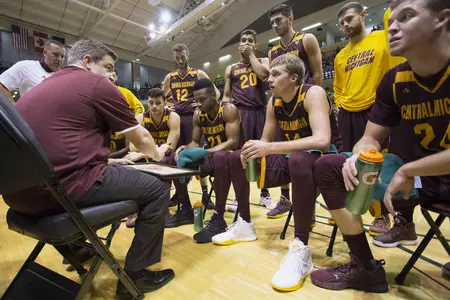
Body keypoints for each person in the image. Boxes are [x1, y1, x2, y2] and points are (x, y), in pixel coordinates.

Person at [2, 39, 175, 299]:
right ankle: (136, 276)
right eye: (107, 67)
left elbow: (60, 146)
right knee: (158, 187)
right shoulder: (95, 84)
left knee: (122, 174)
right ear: (87, 62)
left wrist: (111, 161)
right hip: (60, 190)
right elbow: (143, 140)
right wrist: (159, 153)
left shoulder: (42, 86)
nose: (111, 75)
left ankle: (79, 250)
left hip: (18, 196)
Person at [311, 0, 449, 292]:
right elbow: (371, 137)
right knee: (330, 166)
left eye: (407, 16)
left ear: (442, 19)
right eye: (392, 20)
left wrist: (411, 168)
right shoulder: (394, 80)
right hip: (417, 180)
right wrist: (357, 156)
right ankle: (365, 267)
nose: (393, 27)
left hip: (418, 173)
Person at [212, 54, 333, 292]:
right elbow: (266, 140)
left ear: (294, 78)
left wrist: (269, 147)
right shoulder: (274, 102)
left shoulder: (313, 93)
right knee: (238, 155)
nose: (270, 79)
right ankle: (245, 223)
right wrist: (253, 150)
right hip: (291, 158)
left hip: (325, 161)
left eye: (276, 74)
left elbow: (322, 140)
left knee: (299, 159)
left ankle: (301, 247)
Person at [333, 2, 393, 235]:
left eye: (349, 18)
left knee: (376, 163)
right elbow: (338, 87)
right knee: (349, 164)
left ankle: (381, 215)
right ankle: (354, 210)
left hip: (376, 111)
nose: (346, 25)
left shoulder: (381, 38)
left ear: (363, 15)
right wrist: (340, 106)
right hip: (347, 114)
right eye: (342, 23)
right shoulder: (340, 56)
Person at [223, 29, 288, 212]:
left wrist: (250, 55)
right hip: (240, 114)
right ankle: (238, 196)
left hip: (260, 112)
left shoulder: (263, 61)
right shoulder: (231, 68)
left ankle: (264, 194)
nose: (246, 43)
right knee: (240, 155)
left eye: (250, 40)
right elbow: (226, 96)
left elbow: (265, 76)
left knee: (262, 154)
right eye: (243, 40)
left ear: (255, 44)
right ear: (238, 44)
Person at [175, 78, 241, 242]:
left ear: (214, 95)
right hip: (213, 158)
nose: (198, 104)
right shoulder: (198, 115)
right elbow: (195, 141)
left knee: (220, 156)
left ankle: (218, 217)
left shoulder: (228, 110)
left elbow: (233, 142)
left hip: (234, 158)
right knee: (173, 160)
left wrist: (206, 152)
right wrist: (186, 149)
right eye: (196, 101)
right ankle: (185, 209)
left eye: (202, 100)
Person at [162, 43, 220, 210]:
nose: (180, 60)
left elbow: (215, 93)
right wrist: (167, 107)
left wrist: (201, 104)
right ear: (174, 58)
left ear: (188, 55)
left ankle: (205, 193)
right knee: (176, 156)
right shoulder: (170, 77)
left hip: (194, 118)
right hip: (177, 120)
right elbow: (162, 95)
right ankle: (180, 193)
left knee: (196, 155)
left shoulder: (198, 73)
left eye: (183, 57)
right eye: (177, 57)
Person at [123, 88, 186, 229]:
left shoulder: (173, 117)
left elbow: (170, 146)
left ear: (165, 103)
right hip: (151, 155)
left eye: (158, 103)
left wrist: (144, 153)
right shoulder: (140, 118)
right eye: (151, 103)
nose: (154, 106)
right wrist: (151, 153)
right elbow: (133, 148)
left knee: (166, 159)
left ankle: (163, 208)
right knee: (130, 161)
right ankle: (135, 209)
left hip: (166, 157)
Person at [0, 40, 66, 103]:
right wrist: (14, 110)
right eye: (55, 54)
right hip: (27, 114)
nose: (59, 59)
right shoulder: (25, 66)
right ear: (45, 53)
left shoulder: (64, 76)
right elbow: (1, 85)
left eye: (62, 56)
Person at [109, 69, 145, 160]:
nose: (110, 77)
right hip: (107, 126)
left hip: (122, 126)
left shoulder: (125, 92)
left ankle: (127, 155)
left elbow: (140, 107)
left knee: (130, 131)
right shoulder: (98, 91)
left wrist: (133, 121)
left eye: (113, 75)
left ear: (116, 77)